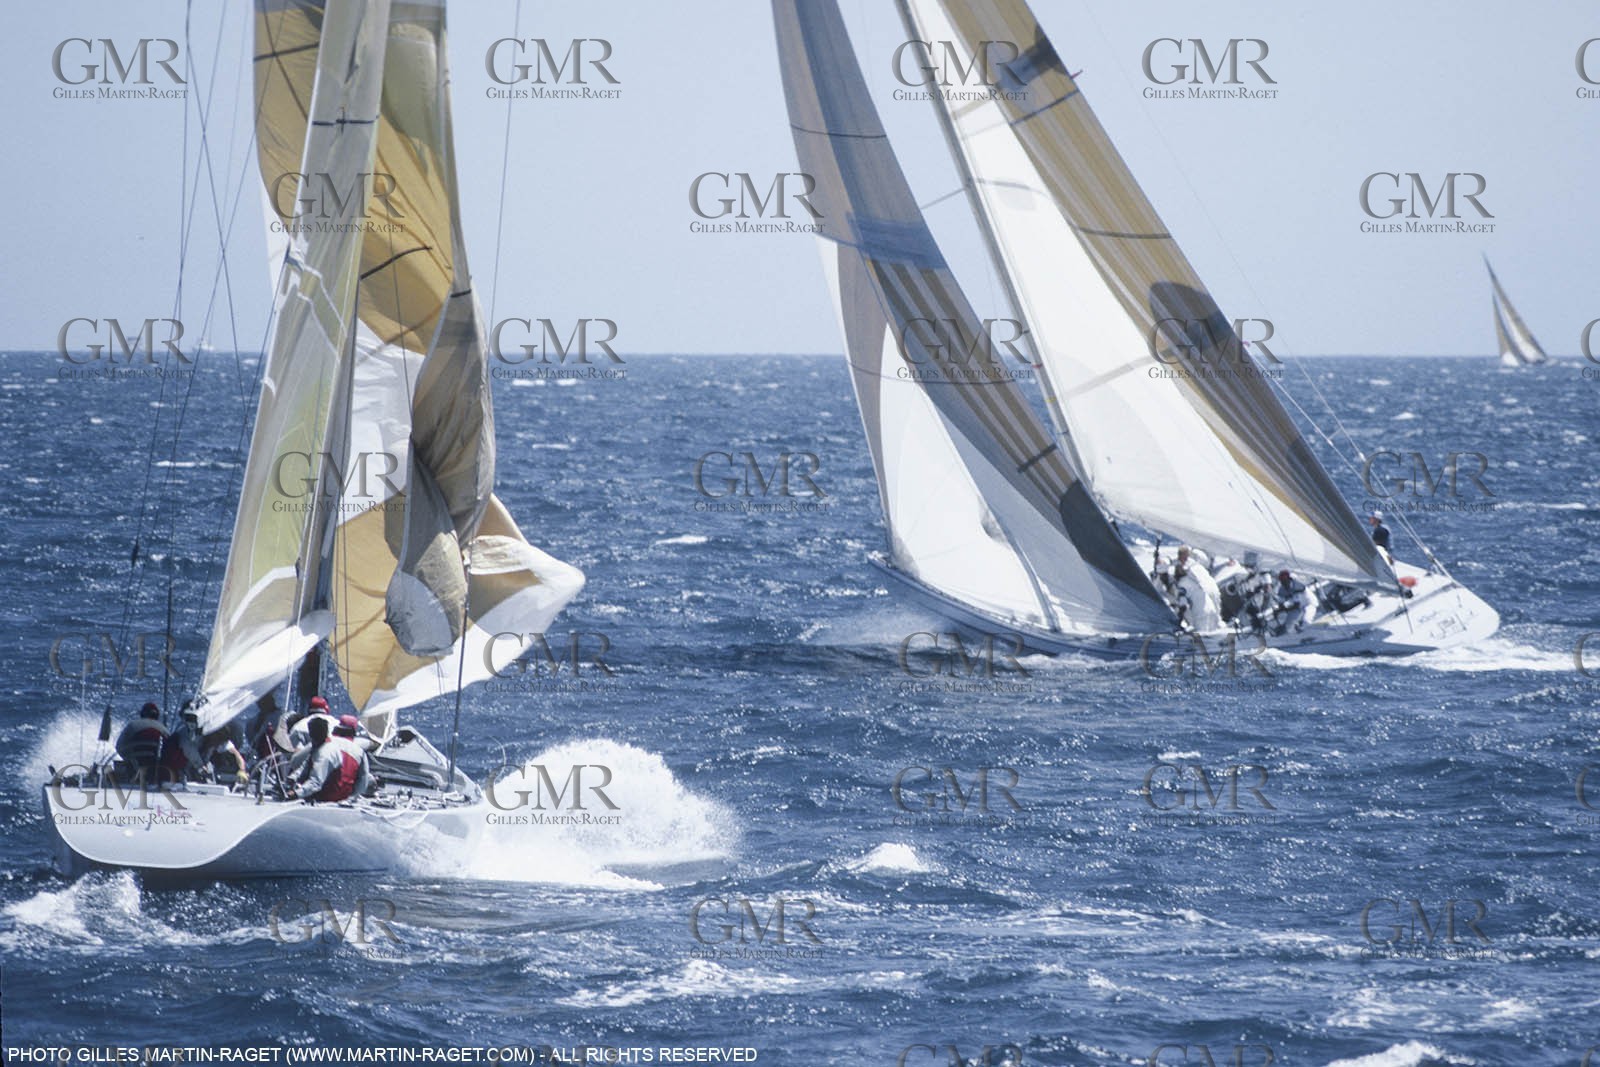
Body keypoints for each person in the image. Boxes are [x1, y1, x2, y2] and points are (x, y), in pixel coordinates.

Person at [289, 715, 372, 803]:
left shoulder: (323, 743)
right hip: (343, 802)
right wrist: (351, 798)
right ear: (353, 732)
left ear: (337, 728)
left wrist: (294, 783)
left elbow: (295, 762)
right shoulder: (360, 751)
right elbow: (363, 782)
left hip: (317, 797)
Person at [114, 702, 168, 779]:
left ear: (142, 714)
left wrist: (129, 759)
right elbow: (170, 751)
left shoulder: (132, 725)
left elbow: (119, 747)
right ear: (157, 716)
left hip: (134, 768)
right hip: (158, 770)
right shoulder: (164, 729)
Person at [1173, 548, 1222, 632]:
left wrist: (1178, 622)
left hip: (1201, 614)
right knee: (1212, 636)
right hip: (1211, 609)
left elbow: (1183, 605)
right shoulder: (1195, 578)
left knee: (1202, 639)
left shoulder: (1182, 585)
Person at [158, 710, 208, 783]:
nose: (191, 723)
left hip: (175, 766)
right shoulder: (184, 734)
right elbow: (189, 749)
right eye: (189, 720)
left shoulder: (182, 729)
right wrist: (200, 767)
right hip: (176, 768)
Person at [1271, 569, 1316, 635]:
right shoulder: (1282, 588)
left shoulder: (1297, 587)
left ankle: (1305, 634)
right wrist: (1277, 609)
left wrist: (1281, 610)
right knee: (1288, 625)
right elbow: (1282, 601)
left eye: (1285, 580)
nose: (1284, 583)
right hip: (1297, 607)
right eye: (1282, 581)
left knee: (1306, 621)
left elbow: (1296, 605)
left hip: (1309, 604)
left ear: (1289, 579)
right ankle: (1282, 634)